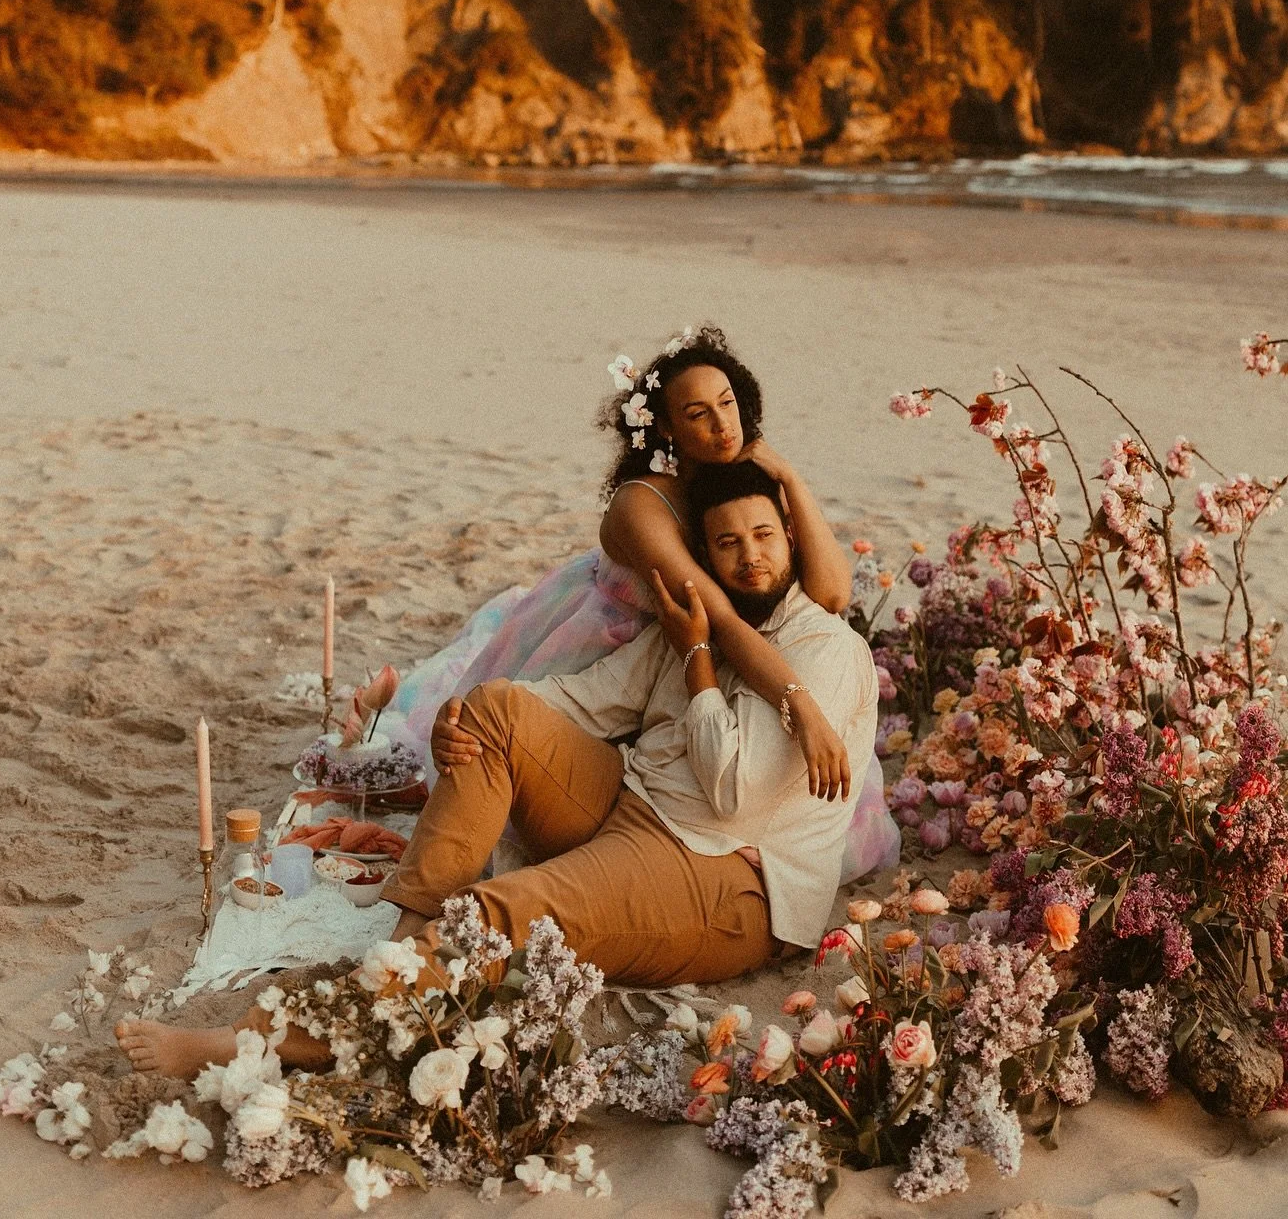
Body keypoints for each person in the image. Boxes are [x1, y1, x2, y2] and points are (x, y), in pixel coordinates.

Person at [116, 460, 877, 1079]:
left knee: (491, 918)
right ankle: (407, 940)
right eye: (727, 543)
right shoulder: (699, 619)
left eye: (764, 536)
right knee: (494, 712)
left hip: (727, 876)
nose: (750, 556)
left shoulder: (823, 651)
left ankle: (281, 1039)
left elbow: (733, 792)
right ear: (703, 557)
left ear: (791, 539)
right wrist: (471, 715)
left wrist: (702, 661)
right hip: (637, 808)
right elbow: (586, 700)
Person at [378, 324, 898, 880]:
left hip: (701, 653)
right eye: (698, 413)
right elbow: (717, 618)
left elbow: (832, 594)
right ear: (667, 428)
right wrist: (804, 709)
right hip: (614, 640)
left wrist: (789, 477)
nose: (724, 425)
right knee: (531, 771)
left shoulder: (741, 489)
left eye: (728, 404)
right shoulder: (641, 504)